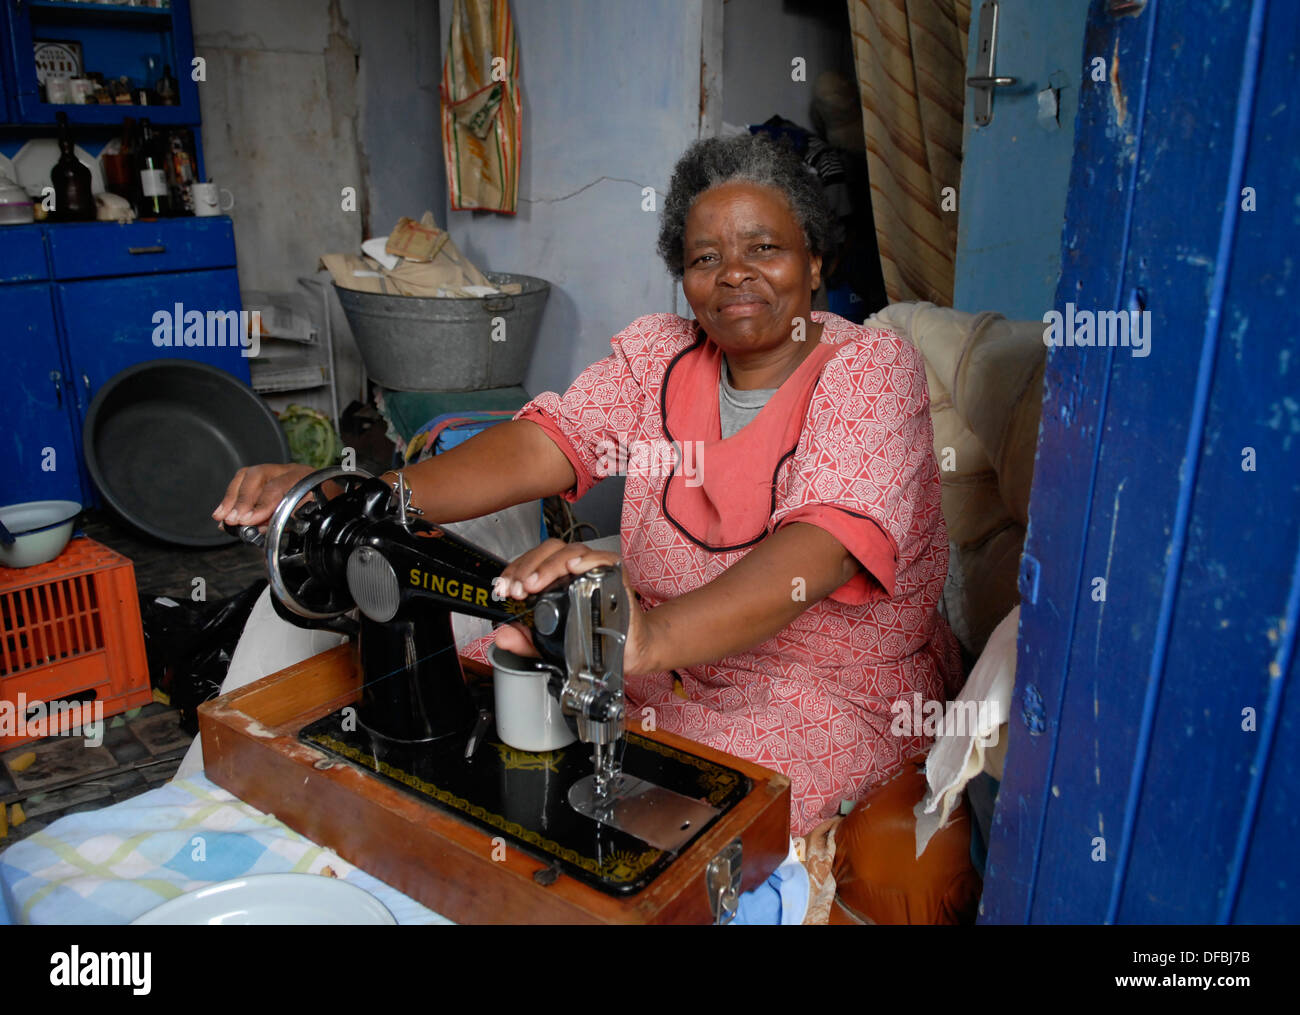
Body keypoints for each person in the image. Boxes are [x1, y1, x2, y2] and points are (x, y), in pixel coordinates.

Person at [214, 134, 962, 836]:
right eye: (706, 257)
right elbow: (546, 444)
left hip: (824, 690)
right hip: (655, 667)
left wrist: (650, 634)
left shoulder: (869, 371)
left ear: (815, 260)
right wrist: (362, 497)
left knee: (675, 800)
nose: (734, 273)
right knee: (475, 702)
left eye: (764, 249)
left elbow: (821, 549)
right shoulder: (659, 357)